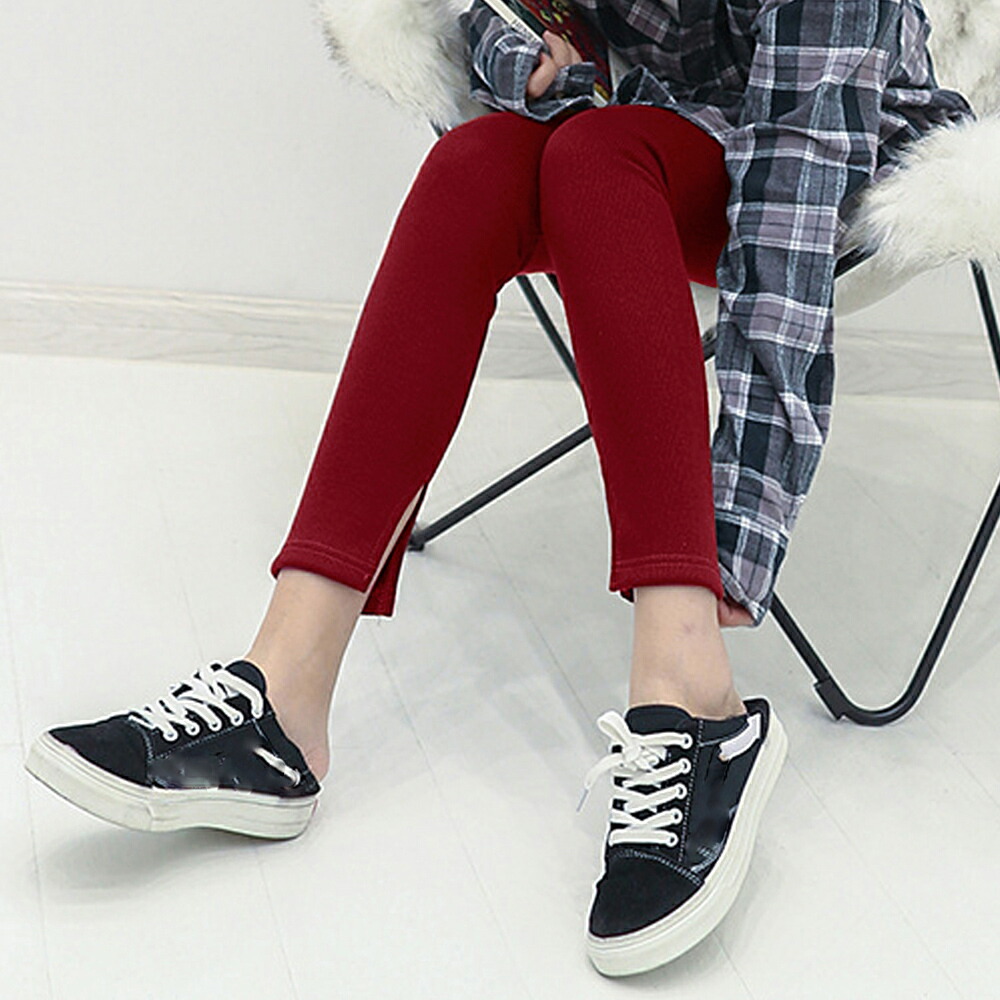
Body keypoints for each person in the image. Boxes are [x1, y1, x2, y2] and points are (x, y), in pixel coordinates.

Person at [23, 0, 976, 979]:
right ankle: (284, 694)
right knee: (475, 163)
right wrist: (534, 51)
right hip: (654, 123)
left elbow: (790, 200)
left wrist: (736, 530)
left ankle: (694, 694)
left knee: (599, 155)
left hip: (834, 157)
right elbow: (498, 14)